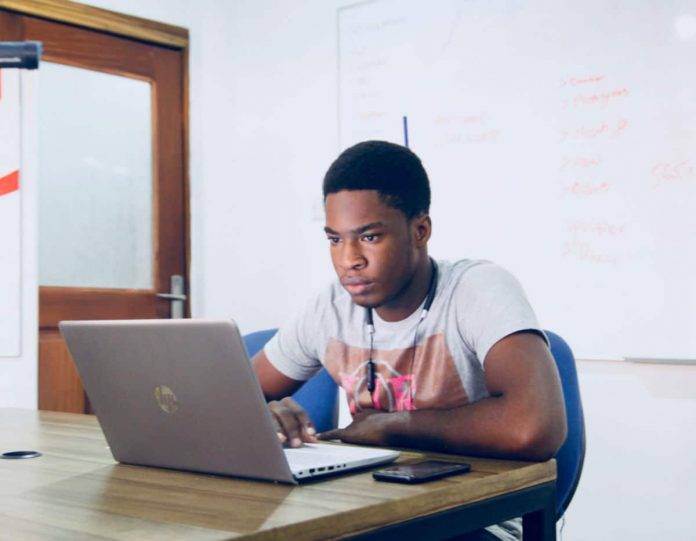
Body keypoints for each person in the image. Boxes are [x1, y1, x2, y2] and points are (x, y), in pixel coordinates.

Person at [252, 140, 567, 540]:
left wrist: (391, 426)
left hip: (476, 517)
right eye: (334, 240)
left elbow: (534, 428)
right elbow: (231, 395)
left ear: (420, 230)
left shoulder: (477, 289)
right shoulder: (330, 306)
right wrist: (261, 418)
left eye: (368, 237)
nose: (349, 259)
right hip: (370, 511)